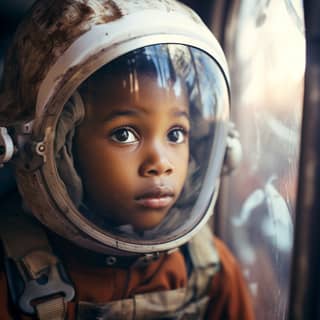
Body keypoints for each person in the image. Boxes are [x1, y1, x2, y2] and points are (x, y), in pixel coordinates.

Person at [0, 0, 255, 319]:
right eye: (124, 134)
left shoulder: (208, 267)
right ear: (57, 148)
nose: (160, 163)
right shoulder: (15, 273)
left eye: (176, 134)